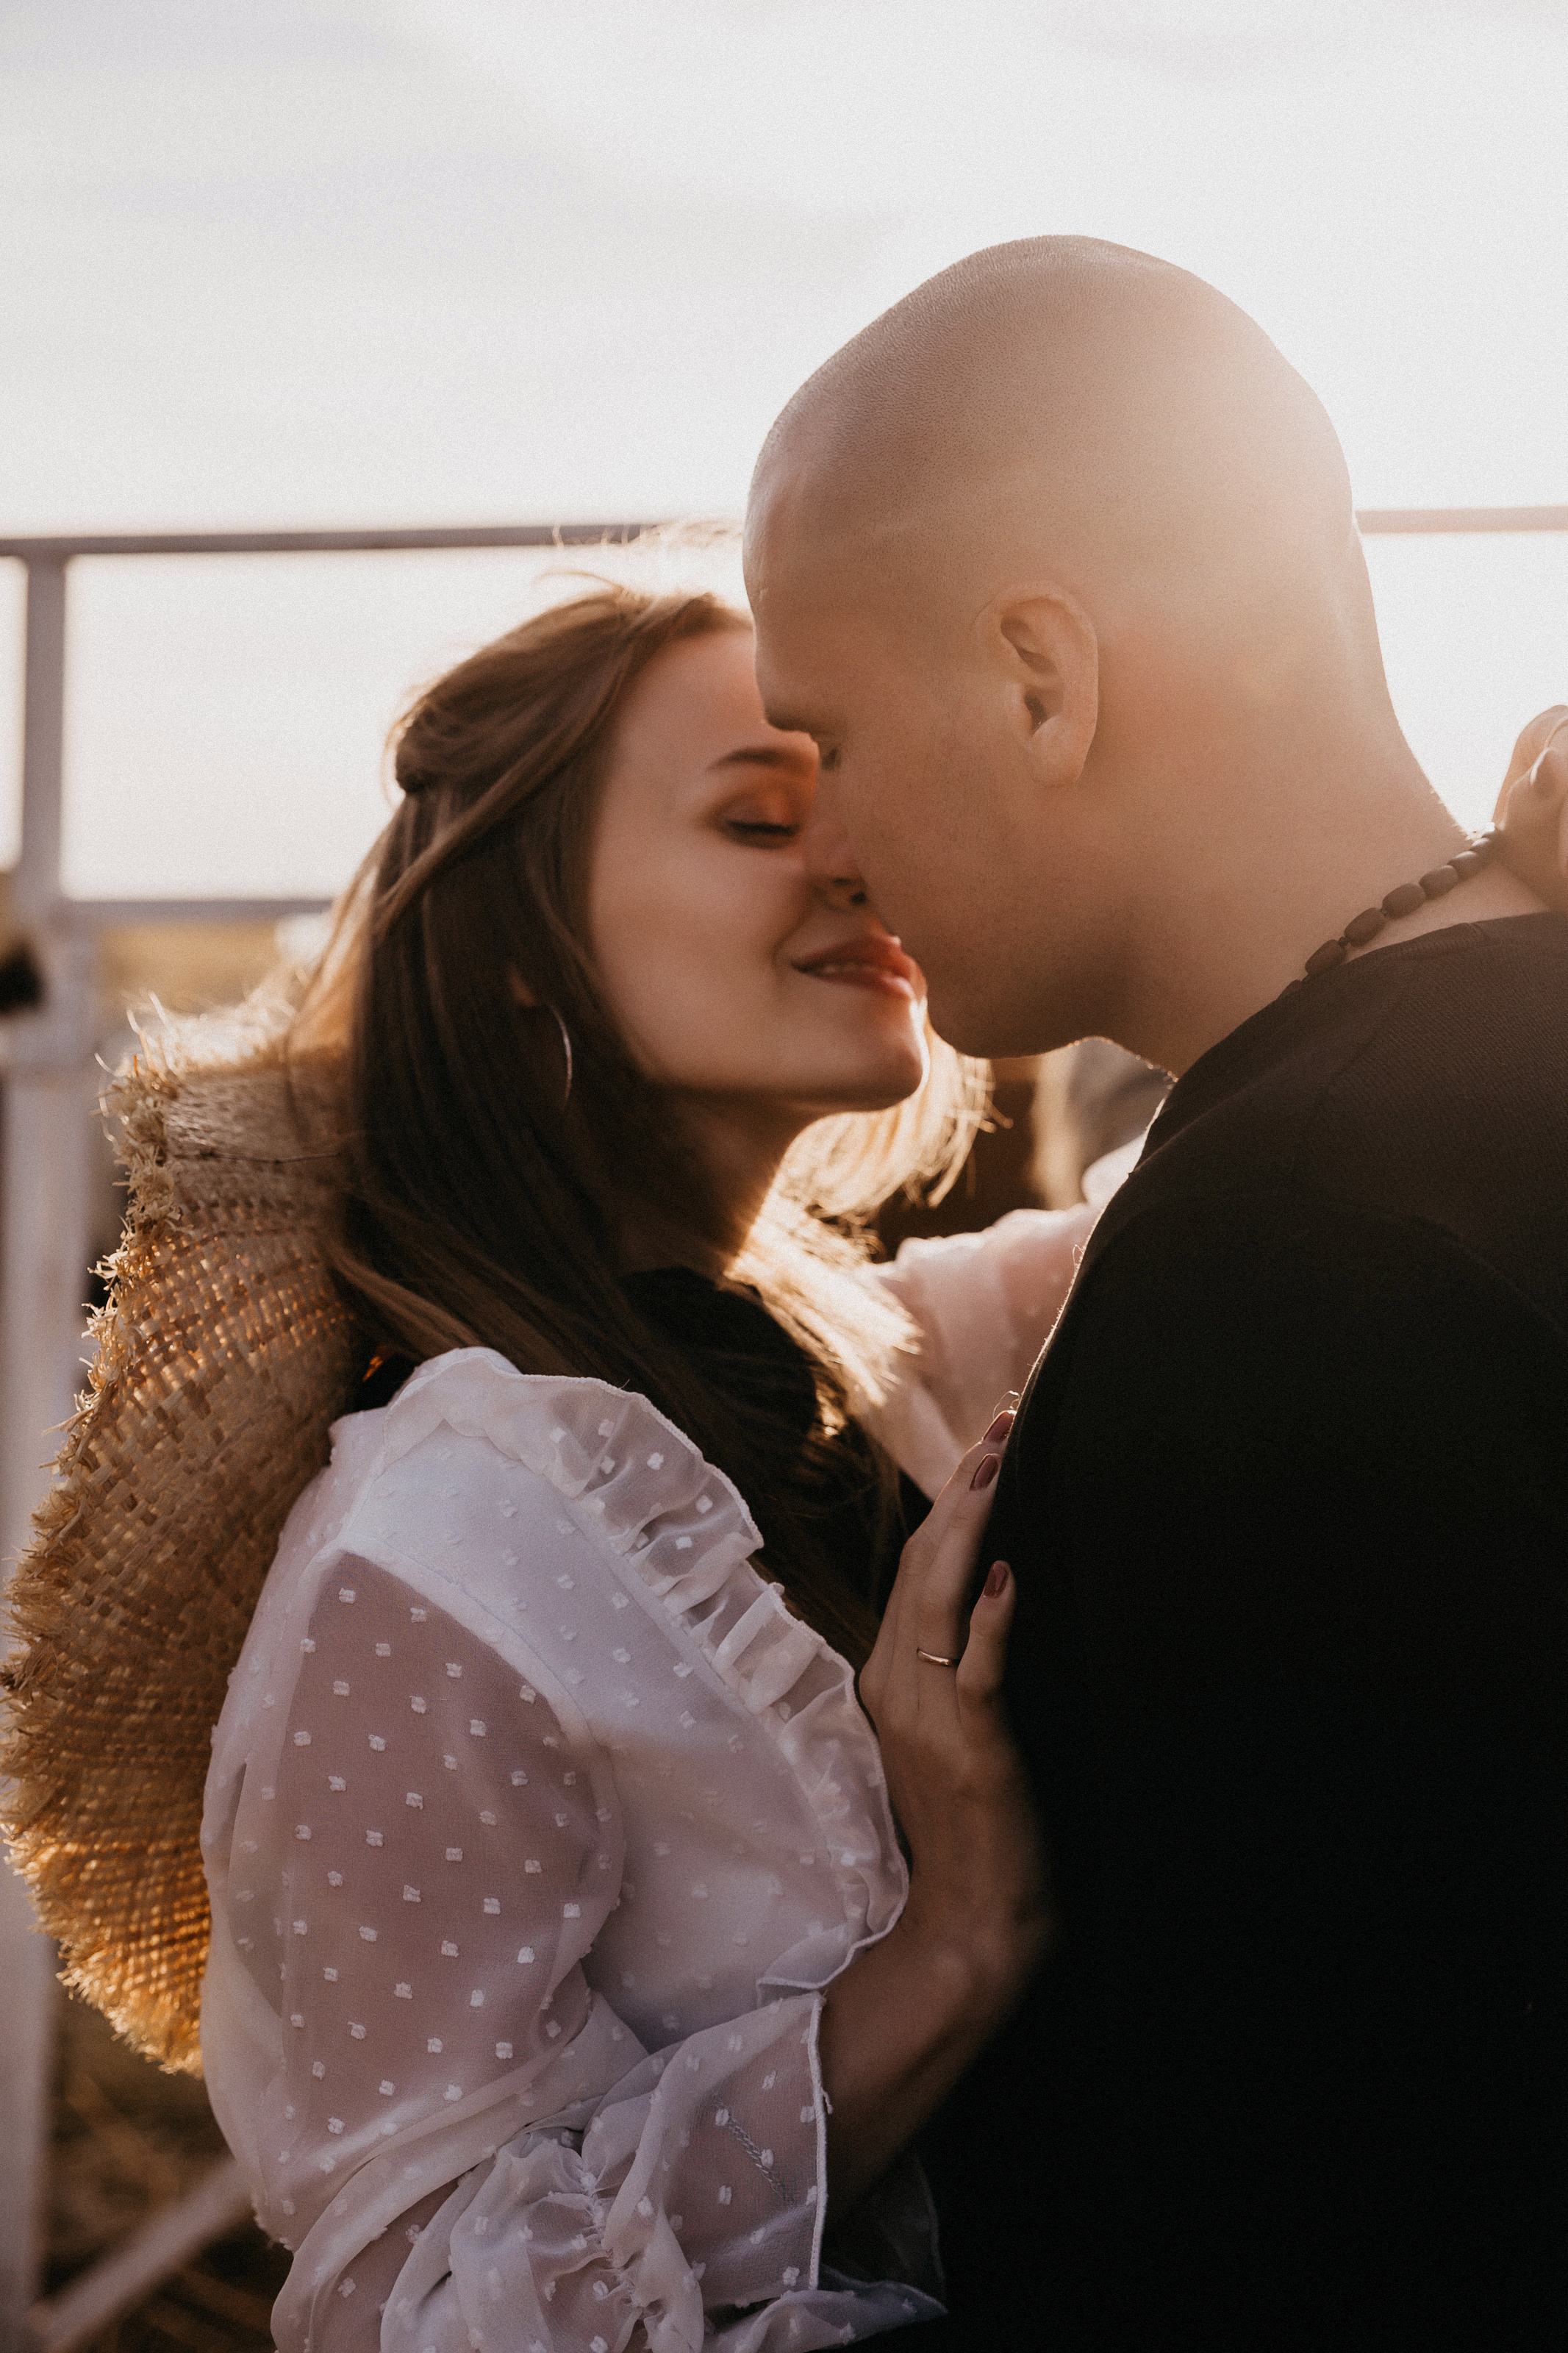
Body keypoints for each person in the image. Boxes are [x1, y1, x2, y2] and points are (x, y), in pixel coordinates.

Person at [744, 238, 1568, 2346]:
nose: (818, 845)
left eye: (820, 732)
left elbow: (1320, 2198)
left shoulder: (1289, 1238)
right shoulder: (1463, 1089)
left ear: (1042, 676)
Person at [185, 582, 1081, 2351]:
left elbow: (1236, 1149)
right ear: (521, 953)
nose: (858, 859)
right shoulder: (436, 1550)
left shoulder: (882, 1359)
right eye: (759, 816)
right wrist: (945, 1955)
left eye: (861, 794)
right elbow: (413, 2307)